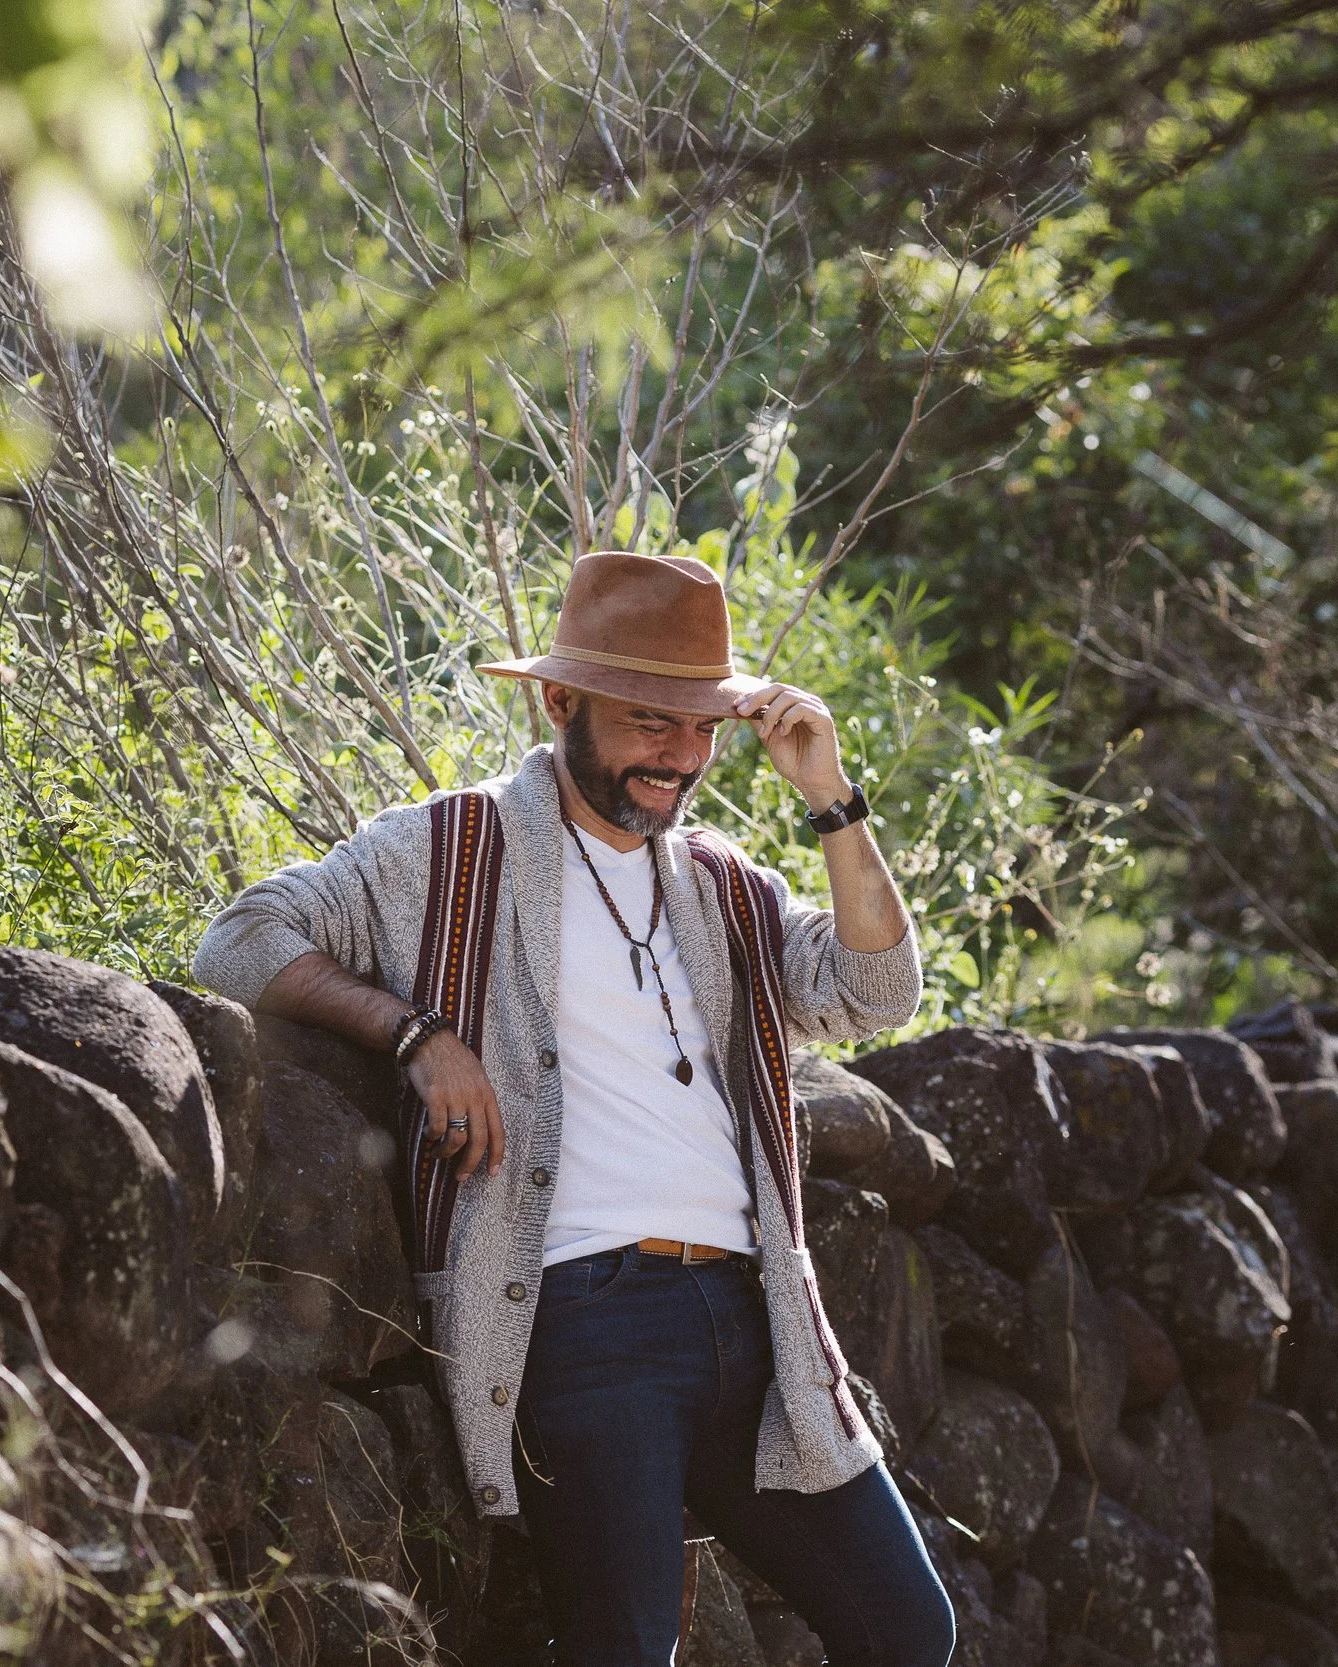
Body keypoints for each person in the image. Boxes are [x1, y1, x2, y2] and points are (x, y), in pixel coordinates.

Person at [191, 551, 955, 1667]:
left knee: (903, 1626)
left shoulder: (723, 881)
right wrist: (415, 1034)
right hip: (583, 1322)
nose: (681, 757)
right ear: (560, 701)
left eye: (702, 729)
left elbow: (876, 989)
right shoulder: (449, 848)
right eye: (651, 723)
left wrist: (829, 797)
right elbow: (238, 941)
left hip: (757, 1322)